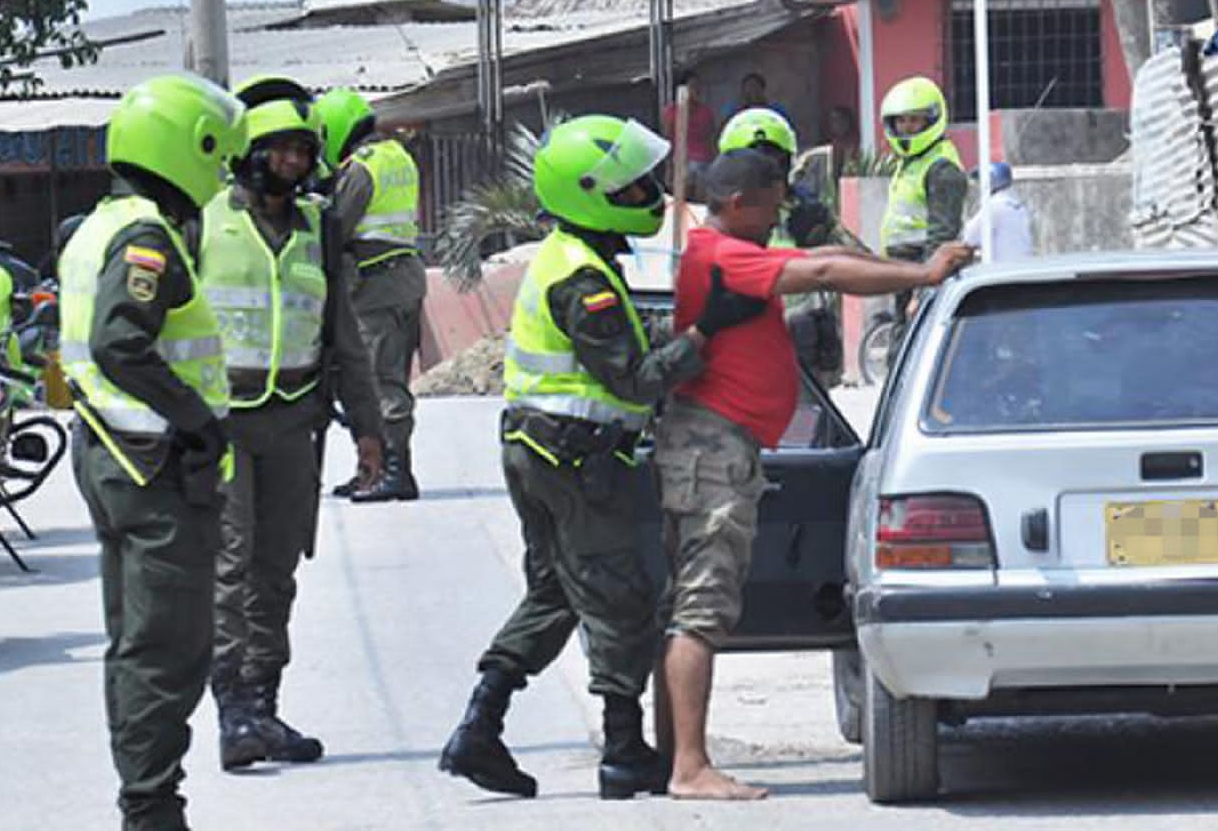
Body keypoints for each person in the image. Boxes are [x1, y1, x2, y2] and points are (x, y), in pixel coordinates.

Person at [438, 114, 769, 801]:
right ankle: (623, 752)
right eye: (633, 185)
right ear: (591, 192)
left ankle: (480, 725)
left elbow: (619, 348)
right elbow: (634, 379)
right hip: (574, 459)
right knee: (619, 600)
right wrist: (708, 330)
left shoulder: (575, 257)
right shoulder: (579, 279)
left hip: (543, 450)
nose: (647, 193)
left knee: (559, 590)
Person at [654, 150, 973, 800]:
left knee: (693, 604)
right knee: (701, 606)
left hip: (718, 443)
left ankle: (674, 756)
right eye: (771, 207)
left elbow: (823, 251)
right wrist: (923, 269)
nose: (776, 221)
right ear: (740, 202)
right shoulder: (726, 256)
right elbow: (825, 267)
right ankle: (688, 766)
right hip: (712, 448)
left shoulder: (716, 249)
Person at [58, 73, 246, 831]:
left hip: (113, 453)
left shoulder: (98, 226)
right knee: (168, 648)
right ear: (189, 148)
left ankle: (147, 799)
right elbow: (117, 342)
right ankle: (152, 808)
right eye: (219, 157)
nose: (224, 175)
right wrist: (199, 420)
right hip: (153, 464)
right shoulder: (145, 238)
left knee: (138, 642)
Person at [200, 75, 386, 772]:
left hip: (293, 422)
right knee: (231, 563)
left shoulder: (319, 226)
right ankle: (231, 709)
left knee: (277, 568)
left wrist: (370, 429)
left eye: (303, 151)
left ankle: (262, 700)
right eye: (279, 149)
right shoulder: (203, 219)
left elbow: (345, 336)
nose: (293, 161)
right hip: (222, 422)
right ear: (250, 153)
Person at [319, 87, 426, 503]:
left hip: (377, 285)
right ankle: (372, 470)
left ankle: (396, 472)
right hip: (403, 277)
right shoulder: (398, 156)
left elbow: (337, 227)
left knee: (380, 379)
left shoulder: (362, 169)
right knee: (378, 376)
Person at [718, 107, 867, 387]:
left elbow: (857, 259)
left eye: (771, 161)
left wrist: (818, 234)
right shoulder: (722, 219)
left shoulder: (806, 210)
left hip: (804, 353)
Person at [879, 75, 968, 333]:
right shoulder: (910, 163)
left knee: (910, 347)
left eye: (914, 120)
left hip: (924, 269)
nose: (906, 128)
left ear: (930, 120)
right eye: (901, 121)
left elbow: (942, 234)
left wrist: (923, 292)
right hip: (904, 270)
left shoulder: (941, 168)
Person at [660, 69, 717, 199]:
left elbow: (712, 139)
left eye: (698, 86)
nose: (696, 90)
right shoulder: (671, 112)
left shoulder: (706, 112)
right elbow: (668, 140)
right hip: (682, 163)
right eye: (692, 86)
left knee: (702, 201)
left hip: (703, 163)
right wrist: (669, 169)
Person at [962, 162, 1033, 262]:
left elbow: (968, 238)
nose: (978, 185)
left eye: (981, 180)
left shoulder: (994, 206)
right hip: (1021, 267)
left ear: (992, 180)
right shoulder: (1018, 207)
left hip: (1001, 271)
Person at [722, 72, 790, 125]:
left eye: (755, 86)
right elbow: (725, 127)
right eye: (749, 87)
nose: (753, 91)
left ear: (762, 89)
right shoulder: (733, 109)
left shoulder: (776, 109)